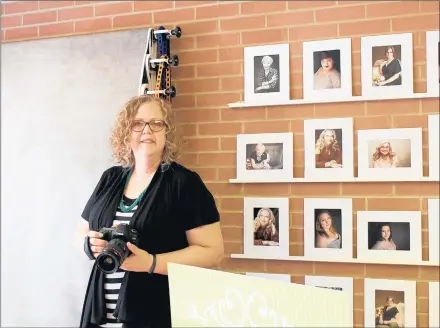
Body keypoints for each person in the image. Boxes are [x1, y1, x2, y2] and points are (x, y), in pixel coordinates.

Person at [77, 95, 224, 328]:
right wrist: (90, 244)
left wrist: (151, 262)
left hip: (155, 311)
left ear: (168, 133)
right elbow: (82, 231)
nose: (147, 130)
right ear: (127, 132)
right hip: (100, 315)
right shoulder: (110, 178)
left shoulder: (184, 183)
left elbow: (213, 252)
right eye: (138, 123)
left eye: (157, 124)